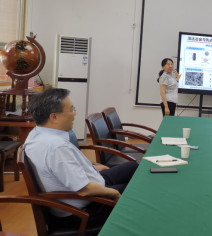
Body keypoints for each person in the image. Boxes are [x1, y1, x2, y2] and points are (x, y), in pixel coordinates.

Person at [25, 89, 139, 228]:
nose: (75, 113)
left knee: (133, 167)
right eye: (71, 109)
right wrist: (114, 193)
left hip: (85, 186)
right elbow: (85, 190)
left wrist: (91, 167)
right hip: (81, 211)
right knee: (135, 191)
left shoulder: (36, 133)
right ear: (54, 117)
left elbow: (62, 168)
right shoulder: (56, 147)